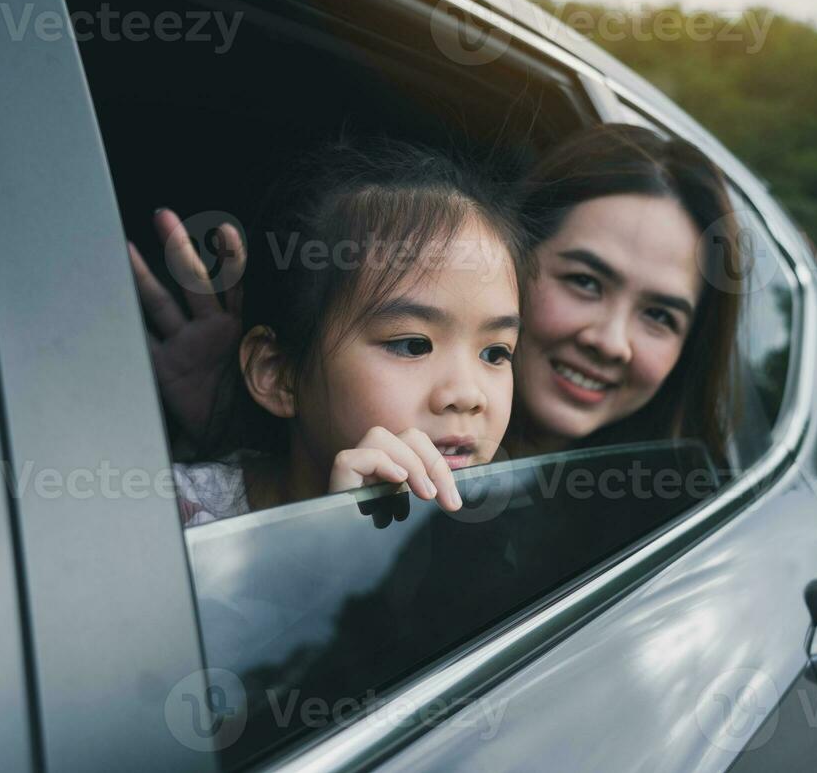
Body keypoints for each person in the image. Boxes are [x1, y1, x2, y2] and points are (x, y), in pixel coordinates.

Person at [128, 139, 527, 525]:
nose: (467, 395)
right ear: (278, 374)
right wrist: (334, 541)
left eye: (495, 353)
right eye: (413, 345)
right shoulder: (169, 522)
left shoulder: (489, 526)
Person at [506, 124, 741, 462]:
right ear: (510, 259)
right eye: (586, 282)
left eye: (659, 316)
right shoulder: (404, 429)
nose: (610, 343)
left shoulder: (677, 508)